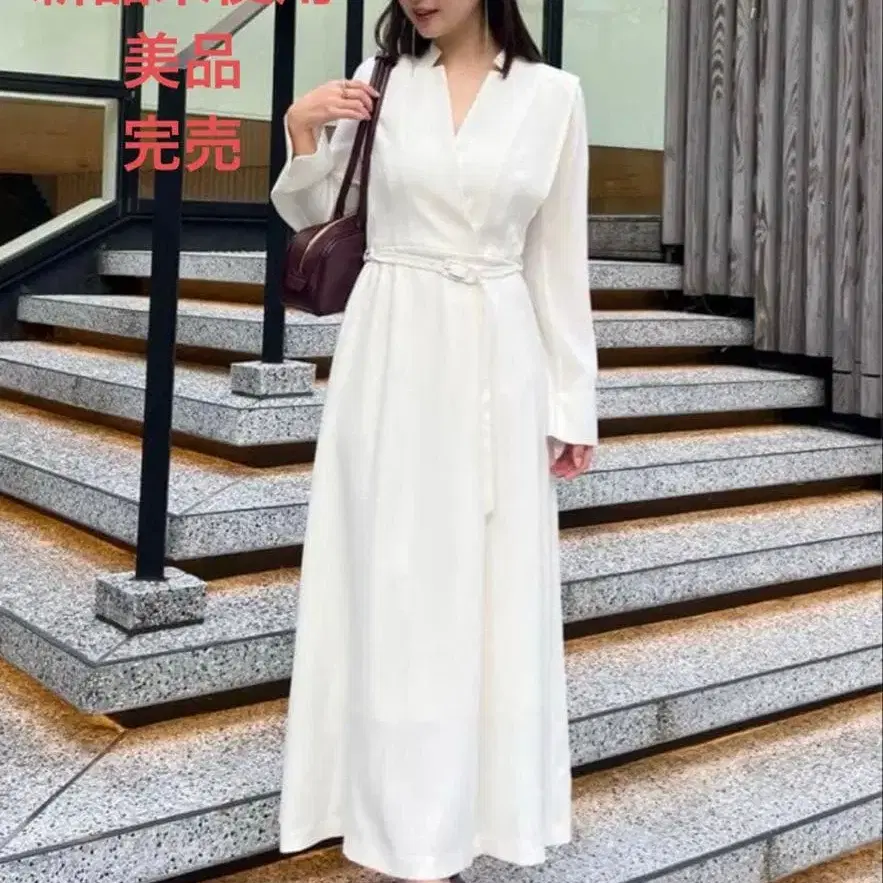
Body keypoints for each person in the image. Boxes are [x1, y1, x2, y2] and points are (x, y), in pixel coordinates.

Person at [271, 0, 598, 880]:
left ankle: (473, 808)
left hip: (498, 353)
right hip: (388, 344)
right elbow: (320, 211)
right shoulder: (380, 82)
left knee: (484, 581)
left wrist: (571, 401)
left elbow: (556, 258)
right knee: (385, 572)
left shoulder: (553, 96)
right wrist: (303, 133)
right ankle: (375, 806)